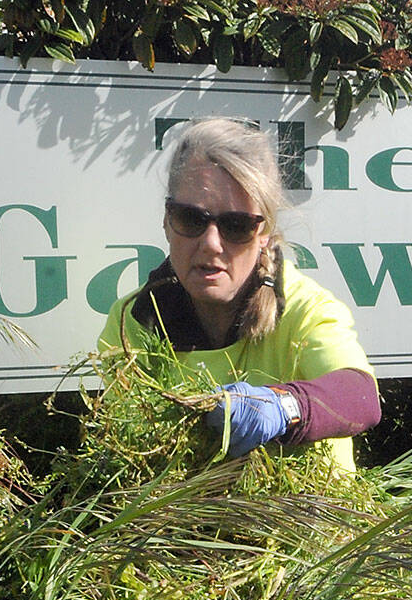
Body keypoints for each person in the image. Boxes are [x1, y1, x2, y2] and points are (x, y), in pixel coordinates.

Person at [97, 117, 380, 471]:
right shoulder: (135, 321)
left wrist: (285, 406)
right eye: (190, 218)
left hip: (311, 519)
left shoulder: (304, 308)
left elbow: (361, 397)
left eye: (236, 226)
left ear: (265, 233)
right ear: (167, 221)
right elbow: (132, 450)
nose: (211, 244)